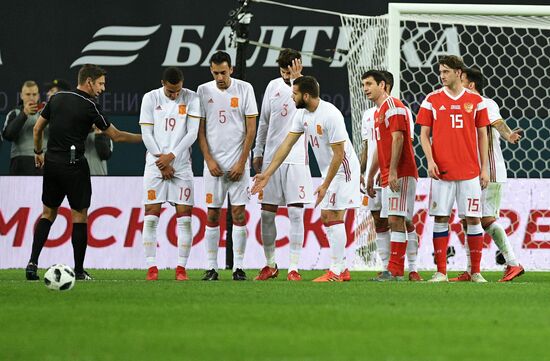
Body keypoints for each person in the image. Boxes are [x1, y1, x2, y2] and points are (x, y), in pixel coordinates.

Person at [25, 64, 142, 281]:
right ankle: (78, 271)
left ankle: (32, 263)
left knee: (48, 214)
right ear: (89, 82)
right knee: (79, 217)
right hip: (74, 166)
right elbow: (116, 136)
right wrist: (147, 138)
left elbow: (37, 128)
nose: (102, 88)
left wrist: (38, 152)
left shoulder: (56, 99)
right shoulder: (90, 106)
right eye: (100, 83)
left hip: (51, 164)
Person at [252, 75, 361, 282]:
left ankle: (336, 272)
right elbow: (286, 145)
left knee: (332, 215)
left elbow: (339, 154)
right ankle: (342, 269)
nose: (291, 97)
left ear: (306, 95)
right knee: (328, 217)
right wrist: (267, 174)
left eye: (294, 94)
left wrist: (325, 185)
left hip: (343, 170)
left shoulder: (331, 115)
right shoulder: (301, 115)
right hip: (330, 171)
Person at [416, 55, 490, 283]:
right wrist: (430, 161)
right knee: (441, 218)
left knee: (474, 220)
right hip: (442, 172)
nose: (442, 76)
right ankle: (441, 272)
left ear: (459, 72)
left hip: (469, 172)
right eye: (440, 72)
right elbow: (424, 135)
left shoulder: (476, 101)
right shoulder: (432, 99)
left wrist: (484, 168)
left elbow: (482, 135)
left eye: (446, 71)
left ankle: (475, 271)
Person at [449, 67, 524, 282]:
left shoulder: (485, 103)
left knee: (485, 219)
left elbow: (497, 123)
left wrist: (509, 135)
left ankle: (513, 263)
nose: (457, 83)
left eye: (461, 79)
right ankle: (471, 270)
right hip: (472, 173)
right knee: (468, 221)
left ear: (471, 84)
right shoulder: (463, 106)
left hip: (489, 171)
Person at [252, 50, 313, 281]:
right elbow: (264, 121)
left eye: (291, 71)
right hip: (271, 160)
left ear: (299, 66)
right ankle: (270, 265)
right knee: (267, 215)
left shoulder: (308, 86)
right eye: (284, 72)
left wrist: (297, 81)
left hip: (296, 159)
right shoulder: (272, 87)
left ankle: (294, 267)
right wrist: (258, 151)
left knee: (296, 214)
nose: (287, 75)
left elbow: (306, 110)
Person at [197, 51, 257, 281]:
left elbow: (250, 129)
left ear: (231, 69)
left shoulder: (245, 89)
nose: (219, 77)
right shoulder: (203, 91)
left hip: (238, 165)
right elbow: (200, 130)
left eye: (223, 72)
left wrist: (242, 162)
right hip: (214, 166)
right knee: (212, 214)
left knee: (239, 214)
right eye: (215, 73)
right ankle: (212, 267)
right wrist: (209, 159)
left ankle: (238, 267)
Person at [139, 67, 203, 281]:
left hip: (181, 167)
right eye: (170, 92)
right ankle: (151, 268)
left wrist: (172, 156)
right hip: (155, 165)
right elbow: (146, 133)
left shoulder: (192, 98)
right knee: (150, 217)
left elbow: (192, 132)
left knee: (184, 219)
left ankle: (181, 268)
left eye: (177, 91)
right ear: (162, 84)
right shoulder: (150, 98)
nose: (174, 95)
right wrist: (161, 160)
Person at [360, 70, 422, 281]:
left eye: (369, 84)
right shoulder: (378, 112)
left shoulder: (394, 107)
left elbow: (398, 139)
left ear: (383, 85)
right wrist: (371, 175)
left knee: (398, 219)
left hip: (401, 172)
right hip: (387, 174)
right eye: (363, 84)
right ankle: (394, 269)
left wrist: (393, 170)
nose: (365, 89)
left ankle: (397, 270)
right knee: (393, 219)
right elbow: (379, 146)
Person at [45, 79, 113, 175]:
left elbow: (105, 154)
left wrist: (99, 135)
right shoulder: (66, 124)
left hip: (98, 179)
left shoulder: (103, 126)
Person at [2, 80, 47, 175]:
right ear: (21, 96)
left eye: (34, 94)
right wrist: (24, 114)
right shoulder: (14, 113)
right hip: (20, 161)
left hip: (43, 161)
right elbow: (8, 136)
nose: (31, 98)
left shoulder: (47, 114)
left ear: (38, 96)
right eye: (28, 94)